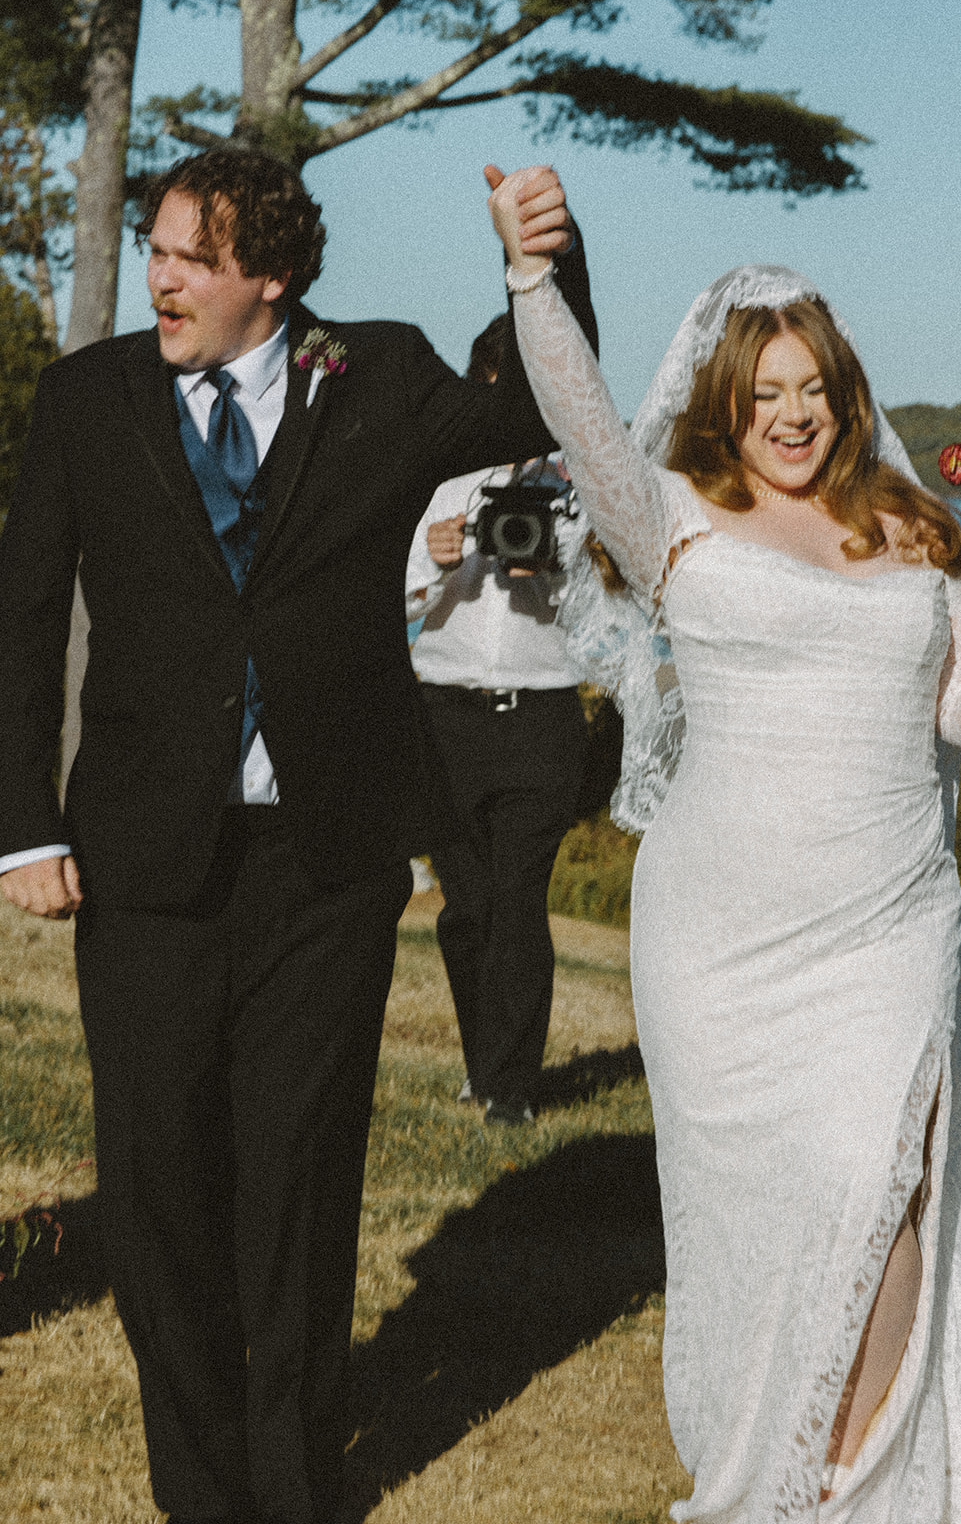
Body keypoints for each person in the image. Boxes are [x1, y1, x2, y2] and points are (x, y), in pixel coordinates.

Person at [0, 150, 594, 1524]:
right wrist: (22, 828)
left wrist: (538, 269)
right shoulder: (87, 400)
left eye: (189, 259)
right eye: (154, 251)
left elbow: (537, 404)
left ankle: (295, 1486)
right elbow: (22, 622)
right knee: (157, 1190)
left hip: (326, 866)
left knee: (300, 1182)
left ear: (269, 275)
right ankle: (202, 1492)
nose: (158, 279)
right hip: (144, 863)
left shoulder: (377, 374)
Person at [486, 166, 961, 1523]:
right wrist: (528, 277)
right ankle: (776, 1482)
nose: (790, 416)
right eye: (762, 396)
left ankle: (851, 1490)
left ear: (843, 395)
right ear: (725, 406)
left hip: (887, 930)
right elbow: (577, 411)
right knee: (765, 1230)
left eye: (809, 390)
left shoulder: (914, 530)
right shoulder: (672, 519)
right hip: (720, 944)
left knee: (881, 1192)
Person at [406, 316, 592, 1124]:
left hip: (540, 717)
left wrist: (552, 565)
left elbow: (607, 608)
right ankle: (482, 1065)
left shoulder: (579, 485)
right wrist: (431, 556)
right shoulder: (436, 483)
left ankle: (509, 1089)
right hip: (442, 714)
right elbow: (384, 596)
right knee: (466, 910)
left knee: (517, 903)